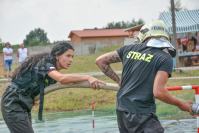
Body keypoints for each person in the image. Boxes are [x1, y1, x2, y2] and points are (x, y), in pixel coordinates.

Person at [96, 20, 192, 133]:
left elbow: (100, 61)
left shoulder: (128, 49)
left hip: (121, 109)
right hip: (142, 113)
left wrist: (119, 81)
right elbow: (159, 92)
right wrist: (182, 104)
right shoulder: (164, 58)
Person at [1, 42, 104, 133]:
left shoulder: (51, 68)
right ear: (57, 55)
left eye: (72, 57)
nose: (71, 60)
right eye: (68, 56)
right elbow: (62, 79)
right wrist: (88, 77)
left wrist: (89, 82)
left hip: (23, 104)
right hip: (13, 102)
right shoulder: (45, 62)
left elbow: (67, 82)